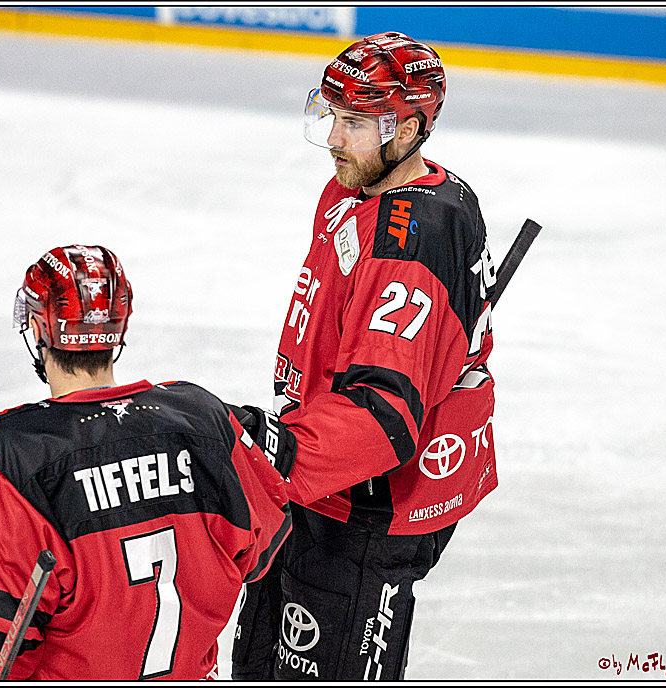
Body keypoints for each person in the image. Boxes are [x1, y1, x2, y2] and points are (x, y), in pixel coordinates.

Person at [229, 32, 499, 681]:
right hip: (314, 483)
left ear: (406, 128)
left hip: (366, 510)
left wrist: (274, 452)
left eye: (353, 123)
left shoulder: (418, 236)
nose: (333, 139)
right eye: (333, 116)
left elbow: (384, 415)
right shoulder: (353, 189)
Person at [0, 244, 292, 680]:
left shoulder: (13, 457)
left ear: (36, 326)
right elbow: (263, 543)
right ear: (119, 329)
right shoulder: (203, 419)